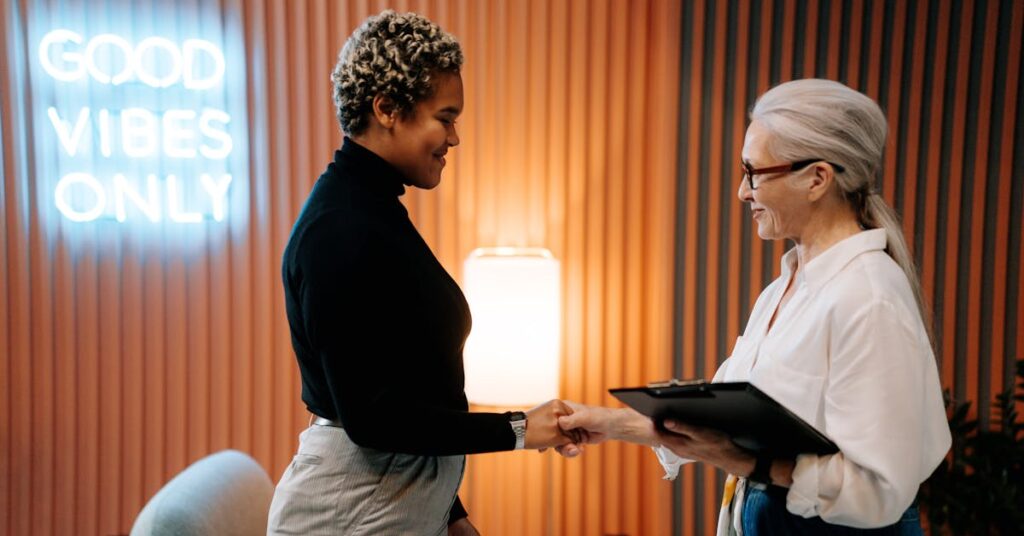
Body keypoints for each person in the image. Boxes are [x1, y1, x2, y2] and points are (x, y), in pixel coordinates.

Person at [557, 79, 951, 534]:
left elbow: (877, 492)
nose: (744, 192)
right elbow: (719, 422)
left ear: (817, 179)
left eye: (754, 173)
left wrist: (748, 462)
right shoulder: (783, 290)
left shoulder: (869, 297)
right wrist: (606, 422)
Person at [267, 11, 578, 536]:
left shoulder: (372, 210)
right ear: (387, 108)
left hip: (393, 496)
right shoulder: (338, 229)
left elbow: (411, 388)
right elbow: (373, 418)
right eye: (445, 117)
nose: (454, 138)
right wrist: (521, 429)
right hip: (351, 509)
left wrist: (449, 512)